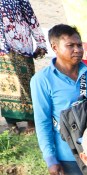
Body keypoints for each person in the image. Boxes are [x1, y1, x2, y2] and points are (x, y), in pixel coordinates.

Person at [30, 23, 87, 175]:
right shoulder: (42, 80)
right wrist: (50, 159)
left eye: (79, 45)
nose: (78, 50)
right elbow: (43, 121)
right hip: (67, 155)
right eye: (70, 46)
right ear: (54, 48)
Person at [0, 0, 46, 130]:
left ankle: (31, 122)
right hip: (2, 51)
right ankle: (11, 124)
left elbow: (32, 19)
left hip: (21, 46)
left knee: (27, 85)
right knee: (5, 87)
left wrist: (41, 43)